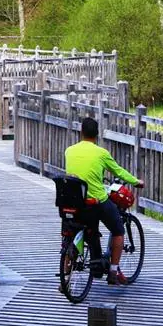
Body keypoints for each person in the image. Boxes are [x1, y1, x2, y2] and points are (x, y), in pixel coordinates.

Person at [65, 117, 144, 285]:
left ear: (81, 132)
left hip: (72, 202)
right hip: (95, 202)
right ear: (97, 134)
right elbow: (118, 171)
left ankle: (65, 278)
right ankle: (113, 272)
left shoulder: (69, 151)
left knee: (70, 234)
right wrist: (136, 182)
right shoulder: (101, 153)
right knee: (118, 229)